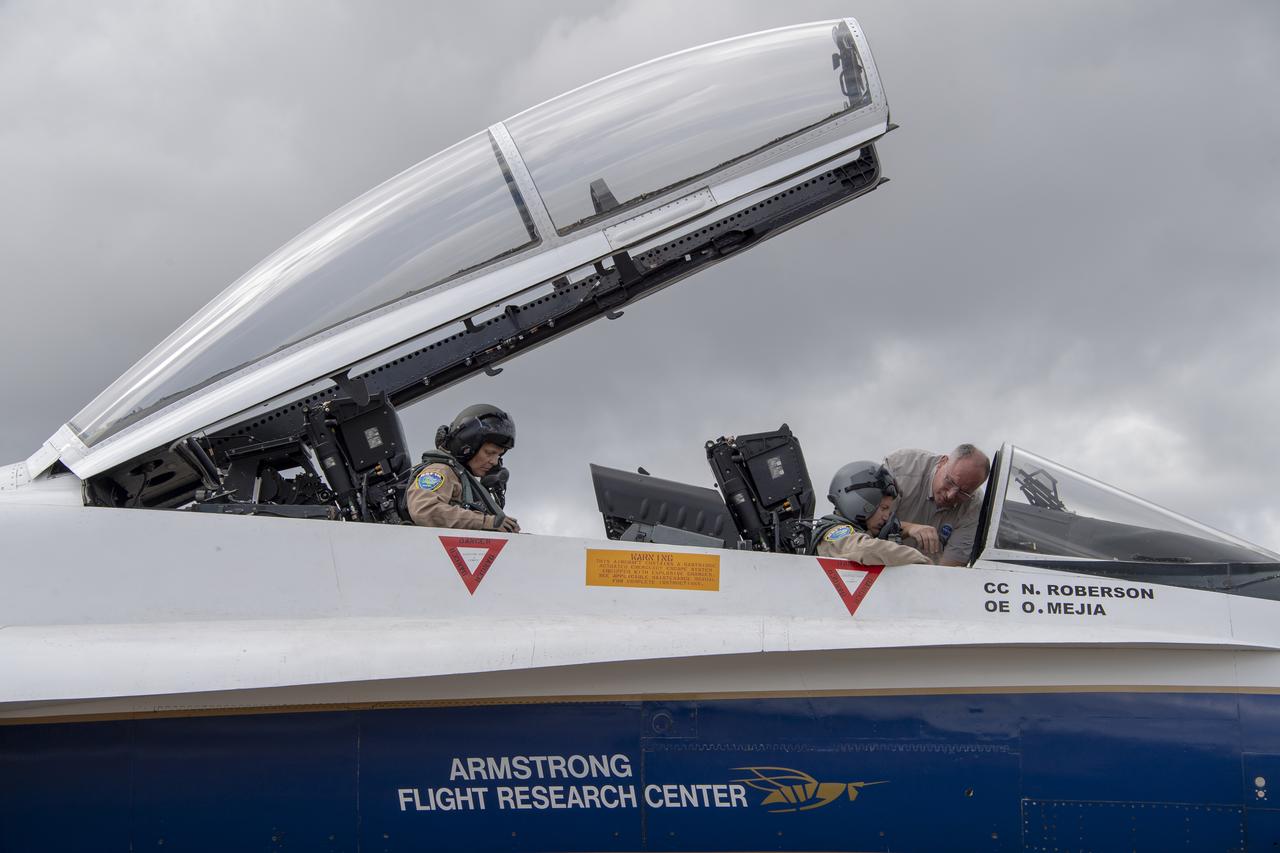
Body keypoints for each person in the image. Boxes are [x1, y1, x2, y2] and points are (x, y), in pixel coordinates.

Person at [406, 404, 520, 532]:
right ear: (467, 447)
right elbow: (423, 509)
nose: (494, 462)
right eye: (489, 453)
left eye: (499, 455)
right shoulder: (440, 470)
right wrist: (485, 521)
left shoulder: (461, 478)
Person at [884, 444, 990, 566]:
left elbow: (951, 567)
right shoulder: (900, 468)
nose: (950, 495)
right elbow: (866, 526)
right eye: (950, 481)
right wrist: (909, 528)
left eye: (963, 492)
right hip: (875, 568)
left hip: (925, 577)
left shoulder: (975, 507)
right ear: (942, 462)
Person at [809, 461, 930, 565]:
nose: (886, 516)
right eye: (884, 508)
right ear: (859, 502)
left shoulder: (861, 534)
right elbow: (867, 550)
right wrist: (921, 561)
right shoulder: (833, 534)